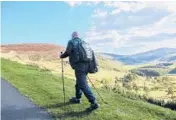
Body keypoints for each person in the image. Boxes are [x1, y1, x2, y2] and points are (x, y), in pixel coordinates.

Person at [60, 31, 99, 111]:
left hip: (79, 66)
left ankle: (93, 103)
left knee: (83, 84)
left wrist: (61, 56)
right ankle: (77, 98)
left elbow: (68, 52)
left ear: (73, 36)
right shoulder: (84, 42)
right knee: (79, 83)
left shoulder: (71, 42)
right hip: (87, 65)